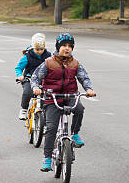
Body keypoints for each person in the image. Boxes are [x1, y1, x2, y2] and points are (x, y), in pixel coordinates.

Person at [31, 33, 96, 172]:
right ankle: (47, 158)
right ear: (58, 47)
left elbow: (84, 78)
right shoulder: (48, 63)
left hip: (69, 96)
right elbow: (35, 77)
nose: (67, 49)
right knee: (51, 128)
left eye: (69, 46)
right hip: (51, 98)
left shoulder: (75, 63)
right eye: (64, 46)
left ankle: (75, 133)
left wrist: (89, 89)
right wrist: (36, 88)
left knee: (79, 109)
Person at [14, 33, 51, 120]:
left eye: (41, 49)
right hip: (29, 79)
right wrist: (20, 76)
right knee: (28, 92)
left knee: (48, 95)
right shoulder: (28, 56)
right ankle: (24, 109)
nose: (39, 51)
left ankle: (46, 114)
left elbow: (53, 66)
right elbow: (18, 68)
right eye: (37, 49)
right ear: (33, 47)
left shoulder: (48, 56)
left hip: (43, 79)